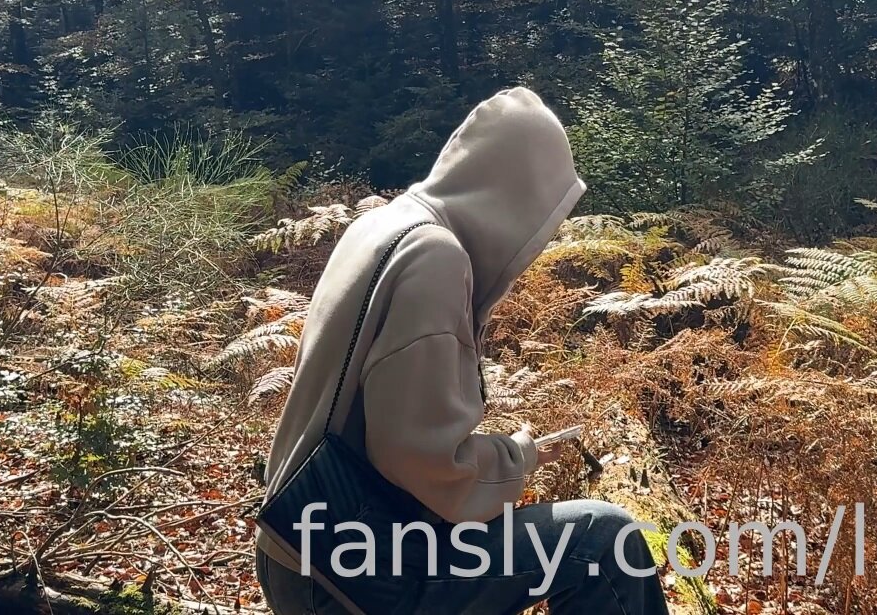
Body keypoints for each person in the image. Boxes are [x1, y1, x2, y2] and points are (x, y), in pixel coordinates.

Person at [255, 88, 670, 614]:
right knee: (605, 543)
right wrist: (518, 456)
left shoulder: (383, 225)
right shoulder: (436, 257)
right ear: (516, 198)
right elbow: (418, 459)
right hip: (355, 572)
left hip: (301, 545)